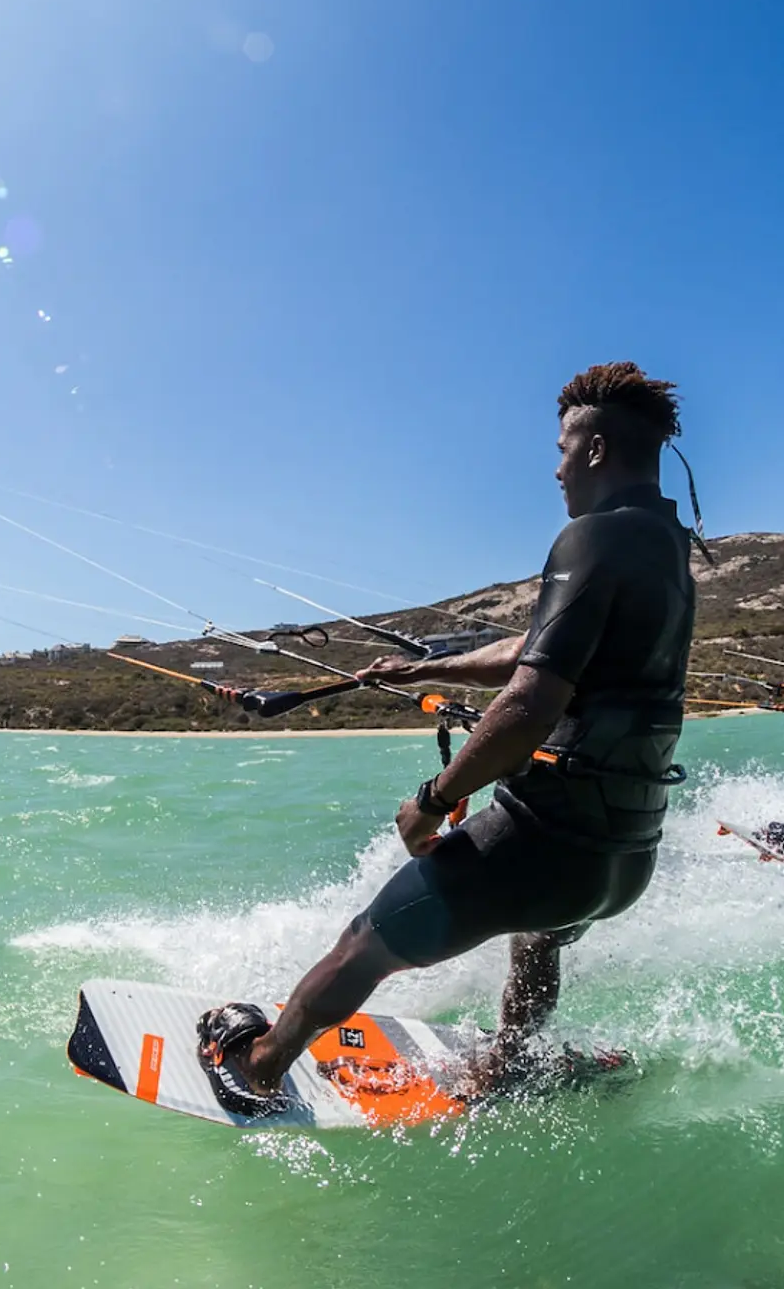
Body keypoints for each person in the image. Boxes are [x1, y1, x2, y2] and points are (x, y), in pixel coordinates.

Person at [197, 362, 698, 1115]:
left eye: (563, 448)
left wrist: (433, 800)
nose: (556, 468)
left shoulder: (591, 535)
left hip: (546, 844)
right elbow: (537, 648)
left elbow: (529, 700)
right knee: (537, 939)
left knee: (363, 944)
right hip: (624, 858)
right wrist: (426, 667)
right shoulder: (667, 547)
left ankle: (259, 1068)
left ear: (595, 449)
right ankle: (506, 1060)